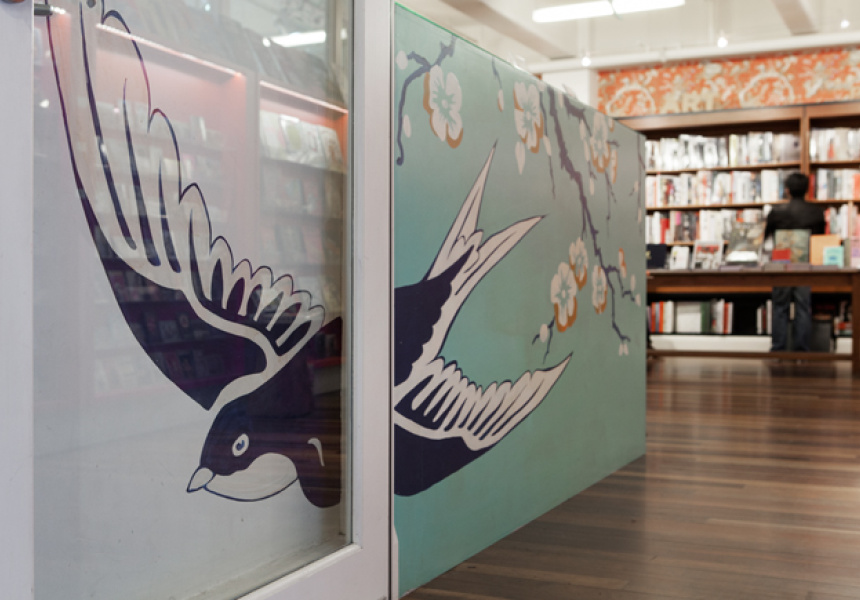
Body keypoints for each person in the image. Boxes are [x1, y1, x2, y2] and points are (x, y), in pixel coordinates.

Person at [764, 172, 825, 351]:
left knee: (779, 306)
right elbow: (820, 237)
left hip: (780, 263)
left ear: (787, 190)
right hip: (805, 264)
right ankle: (802, 351)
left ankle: (778, 349)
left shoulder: (776, 211)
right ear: (807, 189)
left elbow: (766, 236)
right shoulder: (816, 211)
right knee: (803, 307)